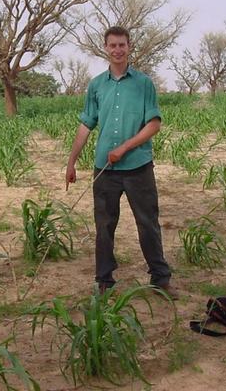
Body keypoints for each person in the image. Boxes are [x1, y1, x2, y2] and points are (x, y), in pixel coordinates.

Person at [65, 26, 176, 298]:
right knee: (104, 226)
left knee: (147, 223)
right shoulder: (96, 85)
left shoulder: (143, 84)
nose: (117, 50)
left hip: (138, 166)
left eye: (122, 45)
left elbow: (154, 124)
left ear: (129, 47)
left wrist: (126, 146)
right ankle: (104, 280)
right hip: (105, 169)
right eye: (112, 45)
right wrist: (71, 162)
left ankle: (160, 278)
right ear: (105, 48)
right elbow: (86, 123)